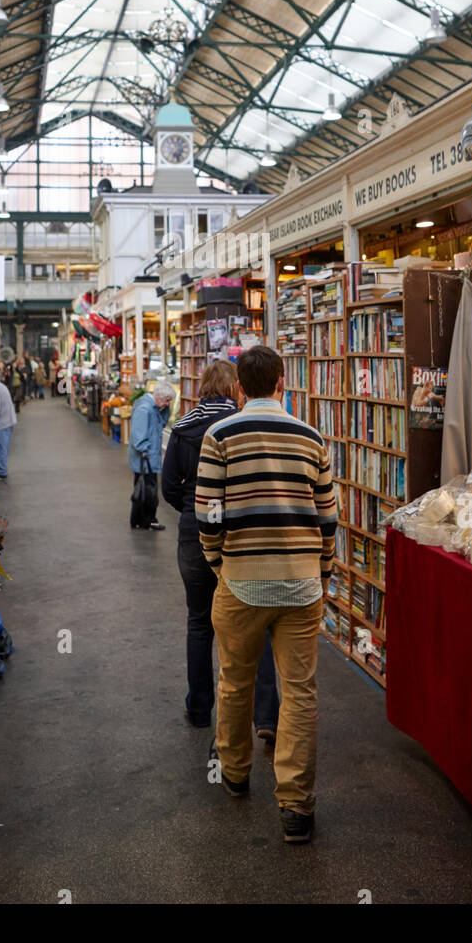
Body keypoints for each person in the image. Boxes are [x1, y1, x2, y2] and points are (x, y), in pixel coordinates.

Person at [195, 345, 336, 844]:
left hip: (239, 580)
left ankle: (234, 772)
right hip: (301, 583)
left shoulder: (219, 436)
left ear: (239, 389)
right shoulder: (312, 437)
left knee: (235, 679)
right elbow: (327, 517)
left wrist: (219, 563)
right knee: (299, 689)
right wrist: (321, 569)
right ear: (282, 383)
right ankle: (296, 805)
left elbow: (207, 513)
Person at [162, 360, 279, 736]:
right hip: (241, 532)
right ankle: (265, 715)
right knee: (254, 620)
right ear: (236, 389)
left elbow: (167, 486)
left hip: (194, 531)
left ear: (202, 388)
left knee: (199, 621)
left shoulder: (182, 428)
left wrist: (189, 504)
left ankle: (199, 709)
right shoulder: (244, 425)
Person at [129, 381, 174, 530]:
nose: (167, 404)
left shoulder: (154, 408)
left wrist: (165, 410)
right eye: (167, 400)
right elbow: (138, 436)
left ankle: (145, 520)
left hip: (149, 458)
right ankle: (145, 520)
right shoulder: (145, 409)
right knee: (146, 491)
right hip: (145, 459)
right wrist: (146, 452)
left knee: (147, 490)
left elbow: (161, 424)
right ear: (159, 396)